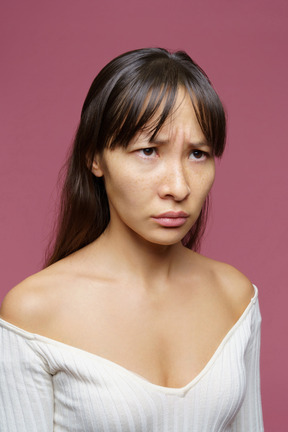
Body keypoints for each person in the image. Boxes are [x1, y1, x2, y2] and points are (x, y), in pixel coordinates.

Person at [0, 48, 263, 431]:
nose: (178, 186)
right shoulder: (34, 311)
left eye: (197, 154)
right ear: (95, 158)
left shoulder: (236, 297)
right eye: (148, 151)